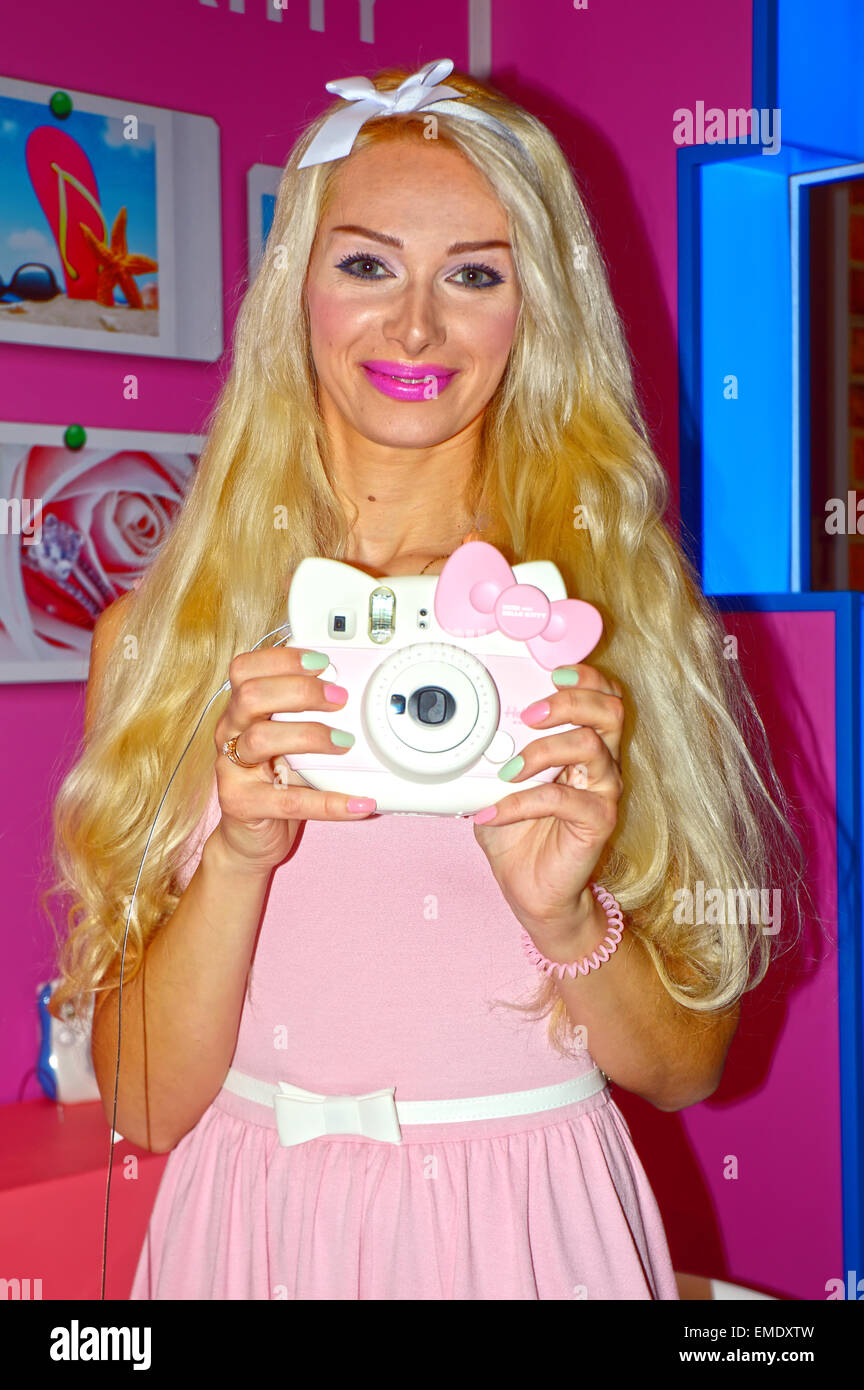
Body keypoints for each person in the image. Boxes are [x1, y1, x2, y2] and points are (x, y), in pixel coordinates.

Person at [45, 59, 806, 1300]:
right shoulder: (160, 633)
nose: (414, 328)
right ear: (297, 289)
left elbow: (684, 1069)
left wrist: (568, 918)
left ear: (532, 309)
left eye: (474, 273)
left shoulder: (601, 619)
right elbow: (138, 1102)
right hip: (253, 1228)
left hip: (525, 1230)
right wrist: (238, 852)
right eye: (366, 265)